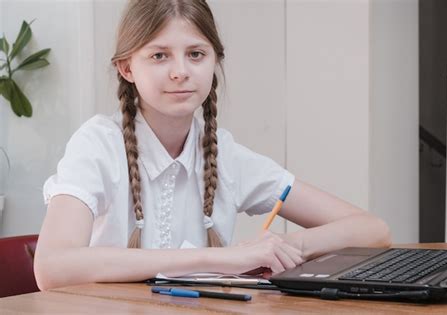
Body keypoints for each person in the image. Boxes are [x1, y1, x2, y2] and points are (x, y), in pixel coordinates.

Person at [34, 0, 391, 291]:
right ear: (127, 68)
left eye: (196, 54)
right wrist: (221, 259)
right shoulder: (97, 144)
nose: (180, 72)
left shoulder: (224, 153)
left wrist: (281, 249)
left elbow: (372, 229)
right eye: (159, 56)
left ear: (214, 61)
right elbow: (52, 267)